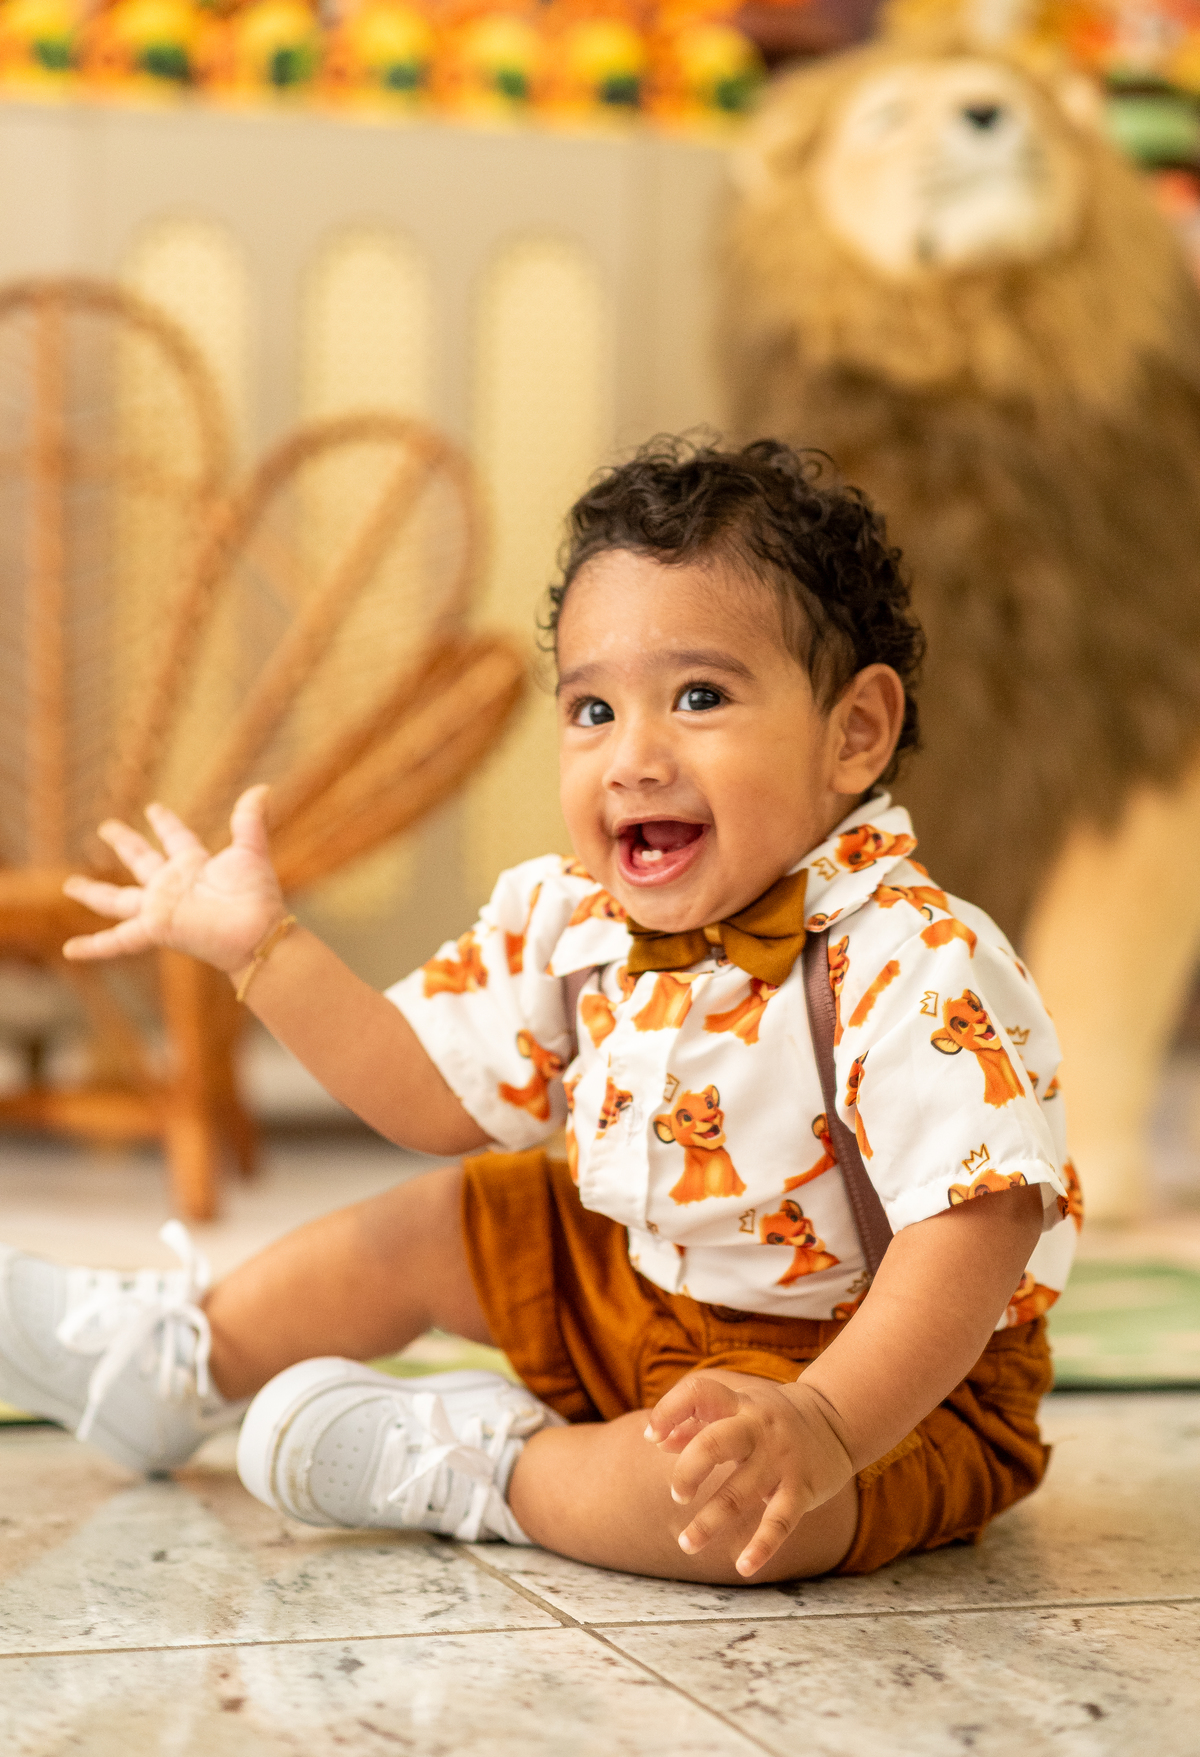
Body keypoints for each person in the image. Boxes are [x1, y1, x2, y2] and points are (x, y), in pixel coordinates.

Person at [0, 439, 1079, 1584]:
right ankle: (179, 1362)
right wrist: (262, 950)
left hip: (884, 1378)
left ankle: (494, 1466)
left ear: (853, 732)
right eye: (593, 708)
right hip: (634, 1290)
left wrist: (821, 1422)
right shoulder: (574, 922)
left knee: (731, 1514)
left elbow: (978, 1232)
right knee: (444, 1219)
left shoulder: (915, 956)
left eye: (700, 697)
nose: (633, 758)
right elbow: (425, 1093)